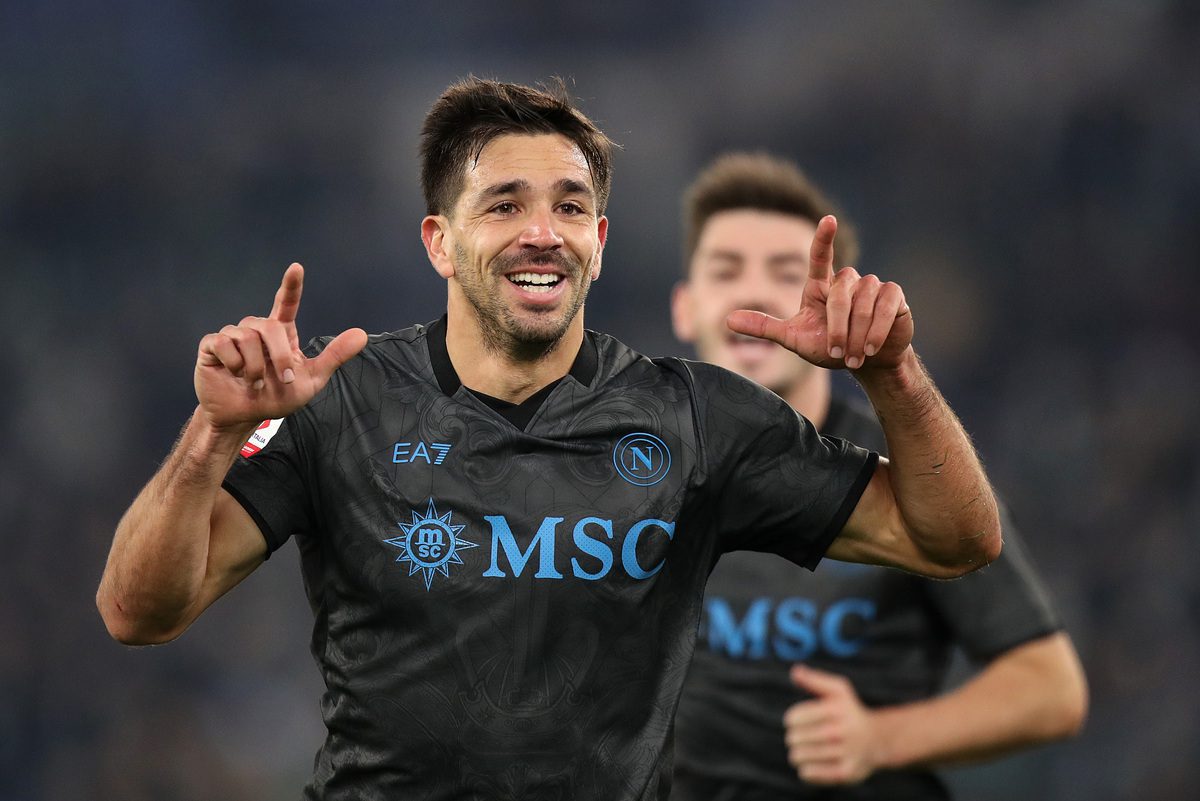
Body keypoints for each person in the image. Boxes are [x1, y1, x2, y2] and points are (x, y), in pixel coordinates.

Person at [96, 79, 1002, 801]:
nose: (543, 232)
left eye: (571, 207)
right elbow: (139, 611)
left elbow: (953, 537)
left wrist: (892, 375)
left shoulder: (693, 417)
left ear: (600, 242)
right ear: (439, 241)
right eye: (503, 206)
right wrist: (214, 437)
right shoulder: (342, 403)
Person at [669, 152, 1088, 800]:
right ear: (686, 307)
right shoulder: (638, 466)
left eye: (785, 271)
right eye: (727, 271)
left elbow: (1051, 687)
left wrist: (879, 737)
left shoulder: (916, 475)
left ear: (833, 302)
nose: (753, 290)